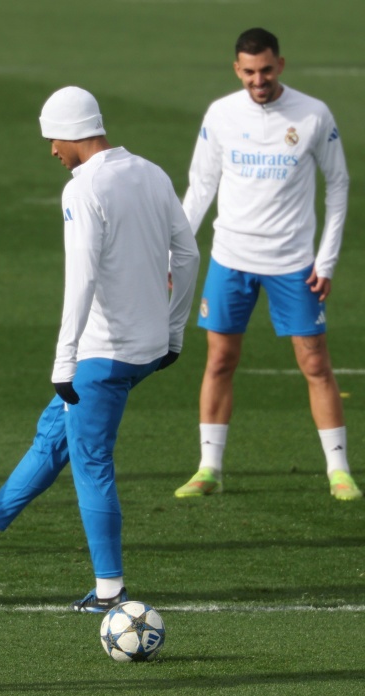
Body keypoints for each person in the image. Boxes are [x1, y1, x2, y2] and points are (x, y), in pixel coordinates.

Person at [0, 87, 200, 612]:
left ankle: (110, 590)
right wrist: (174, 329)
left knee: (92, 463)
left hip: (102, 355)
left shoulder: (83, 188)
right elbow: (187, 254)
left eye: (53, 139)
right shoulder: (151, 172)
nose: (51, 151)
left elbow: (81, 278)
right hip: (147, 347)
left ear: (71, 133)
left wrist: (65, 358)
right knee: (54, 435)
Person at [173, 28, 360, 501]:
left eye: (267, 70)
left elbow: (338, 184)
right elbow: (200, 186)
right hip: (230, 259)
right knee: (220, 360)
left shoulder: (313, 114)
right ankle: (209, 469)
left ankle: (339, 471)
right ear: (237, 70)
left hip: (293, 262)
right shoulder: (221, 114)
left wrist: (327, 259)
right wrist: (175, 253)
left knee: (315, 362)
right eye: (250, 72)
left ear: (281, 64)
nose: (259, 80)